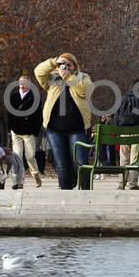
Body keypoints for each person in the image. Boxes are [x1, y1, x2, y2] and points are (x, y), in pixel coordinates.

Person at [34, 54, 93, 190]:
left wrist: (67, 76)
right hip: (55, 128)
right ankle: (65, 193)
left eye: (68, 65)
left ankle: (86, 194)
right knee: (61, 164)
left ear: (75, 66)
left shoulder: (82, 77)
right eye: (62, 64)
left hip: (77, 128)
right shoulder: (53, 77)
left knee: (80, 162)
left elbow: (86, 90)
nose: (65, 67)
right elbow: (38, 71)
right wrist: (54, 62)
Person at [7, 75, 43, 188]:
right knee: (17, 156)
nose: (22, 86)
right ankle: (19, 181)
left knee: (30, 156)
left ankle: (36, 174)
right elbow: (9, 114)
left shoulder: (35, 98)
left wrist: (35, 131)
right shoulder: (13, 96)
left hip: (28, 132)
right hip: (16, 131)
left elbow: (38, 117)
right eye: (21, 83)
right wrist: (10, 128)